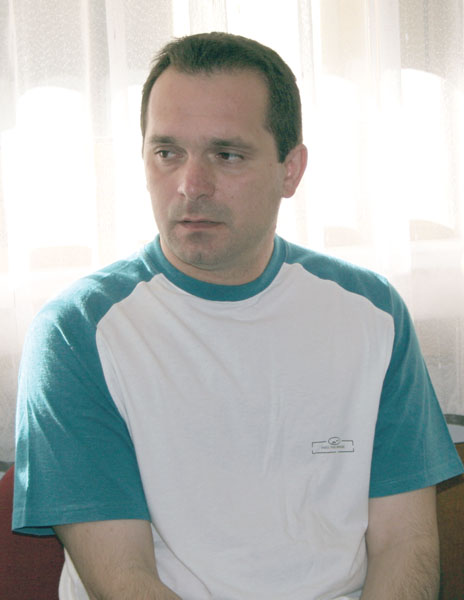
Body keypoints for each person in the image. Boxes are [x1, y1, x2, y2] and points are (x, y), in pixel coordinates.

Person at [13, 32, 464, 600]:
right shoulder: (77, 332)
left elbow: (406, 546)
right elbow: (124, 581)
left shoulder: (373, 312)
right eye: (167, 152)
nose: (191, 186)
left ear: (290, 170)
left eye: (227, 155)